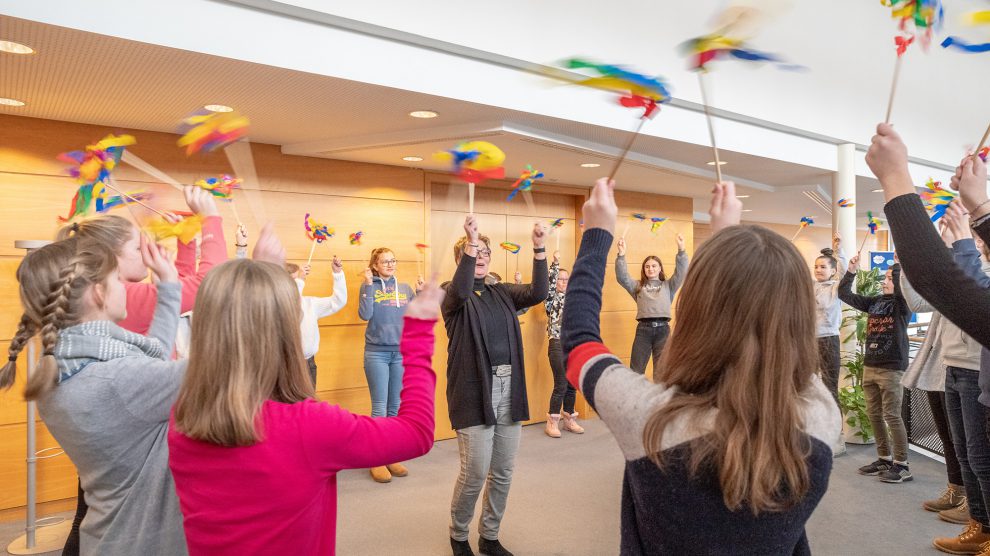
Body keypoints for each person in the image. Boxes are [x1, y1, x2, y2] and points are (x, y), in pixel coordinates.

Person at [563, 178, 839, 555]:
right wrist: (728, 246)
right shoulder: (822, 418)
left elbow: (578, 343)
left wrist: (596, 237)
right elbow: (779, 347)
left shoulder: (647, 417)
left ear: (696, 307)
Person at [167, 260, 441, 556]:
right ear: (286, 329)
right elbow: (417, 432)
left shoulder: (182, 417)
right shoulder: (308, 426)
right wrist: (419, 333)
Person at [51, 185, 225, 555]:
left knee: (96, 510)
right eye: (136, 247)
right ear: (109, 266)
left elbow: (169, 303)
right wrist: (211, 222)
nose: (146, 251)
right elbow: (204, 287)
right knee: (114, 517)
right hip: (131, 426)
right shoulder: (126, 298)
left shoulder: (115, 299)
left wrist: (185, 245)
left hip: (122, 425)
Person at [0, 235, 187, 555]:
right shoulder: (118, 380)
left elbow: (153, 360)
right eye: (117, 278)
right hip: (146, 544)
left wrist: (169, 285)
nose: (124, 285)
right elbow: (226, 365)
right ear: (99, 292)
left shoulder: (63, 369)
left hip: (107, 538)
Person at [443, 215, 548, 556]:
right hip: (474, 391)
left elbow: (539, 292)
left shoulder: (501, 292)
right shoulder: (452, 296)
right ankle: (459, 536)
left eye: (486, 250)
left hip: (508, 388)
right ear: (461, 260)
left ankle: (489, 536)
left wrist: (538, 249)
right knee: (474, 473)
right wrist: (470, 240)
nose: (482, 254)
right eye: (475, 251)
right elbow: (459, 289)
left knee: (502, 471)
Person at [899, 205, 988, 553]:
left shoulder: (977, 269)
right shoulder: (965, 264)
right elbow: (920, 300)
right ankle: (978, 524)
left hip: (975, 369)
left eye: (977, 233)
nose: (974, 237)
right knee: (967, 454)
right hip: (951, 366)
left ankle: (984, 525)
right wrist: (910, 262)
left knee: (980, 457)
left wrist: (960, 241)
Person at [838, 254, 911, 482]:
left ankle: (902, 465)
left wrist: (898, 264)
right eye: (885, 277)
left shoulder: (903, 304)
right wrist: (851, 271)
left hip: (892, 368)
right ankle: (884, 458)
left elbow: (901, 288)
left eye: (889, 278)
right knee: (874, 415)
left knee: (892, 415)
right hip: (870, 365)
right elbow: (844, 294)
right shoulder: (875, 301)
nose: (884, 281)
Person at [358, 247, 423, 483]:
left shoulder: (404, 288)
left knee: (395, 408)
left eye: (393, 260)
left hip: (400, 354)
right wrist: (366, 285)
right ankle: (375, 459)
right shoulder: (369, 286)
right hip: (376, 354)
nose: (390, 264)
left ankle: (390, 454)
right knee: (379, 408)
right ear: (375, 265)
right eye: (385, 261)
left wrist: (420, 294)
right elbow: (364, 315)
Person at [614, 233, 689, 375]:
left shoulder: (668, 286)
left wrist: (681, 250)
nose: (651, 269)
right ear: (644, 270)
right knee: (636, 371)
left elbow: (681, 272)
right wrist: (621, 255)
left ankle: (659, 398)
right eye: (647, 266)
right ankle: (636, 398)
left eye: (654, 266)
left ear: (660, 268)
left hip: (663, 332)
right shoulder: (637, 286)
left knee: (662, 372)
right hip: (643, 331)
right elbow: (622, 277)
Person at [287, 257, 348, 388]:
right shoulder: (279, 306)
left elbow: (338, 301)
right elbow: (290, 305)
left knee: (308, 406)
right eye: (293, 281)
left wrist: (338, 274)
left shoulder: (310, 303)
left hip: (308, 364)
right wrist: (300, 280)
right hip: (286, 366)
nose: (297, 283)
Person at [544, 250, 582, 438]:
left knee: (571, 383)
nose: (563, 282)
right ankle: (552, 422)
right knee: (560, 383)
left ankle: (569, 419)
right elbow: (550, 285)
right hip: (557, 343)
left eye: (566, 279)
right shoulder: (550, 300)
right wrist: (556, 262)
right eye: (560, 279)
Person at [813, 233, 846, 407]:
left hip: (829, 340)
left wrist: (838, 250)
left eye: (823, 267)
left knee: (829, 387)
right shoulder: (810, 285)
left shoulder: (836, 287)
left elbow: (845, 271)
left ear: (832, 271)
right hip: (809, 341)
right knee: (808, 386)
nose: (818, 270)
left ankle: (834, 431)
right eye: (816, 266)